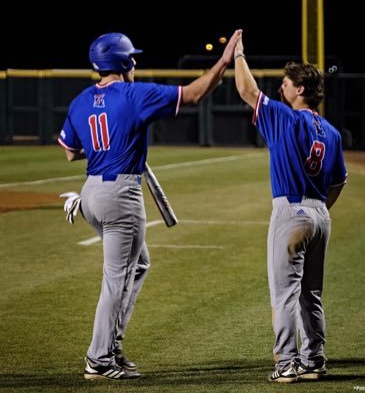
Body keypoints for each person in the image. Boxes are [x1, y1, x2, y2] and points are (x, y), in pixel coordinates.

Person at [58, 30, 241, 380]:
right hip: (121, 196)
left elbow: (69, 151)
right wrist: (223, 62)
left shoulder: (81, 100)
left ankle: (112, 346)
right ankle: (99, 359)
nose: (136, 62)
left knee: (139, 265)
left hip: (92, 189)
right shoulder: (133, 94)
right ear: (124, 62)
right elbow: (194, 94)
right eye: (132, 57)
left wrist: (104, 147)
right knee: (116, 279)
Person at [234, 31, 347, 383]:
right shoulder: (331, 131)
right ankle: (315, 360)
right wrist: (318, 211)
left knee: (284, 295)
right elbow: (339, 182)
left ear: (301, 89)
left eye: (286, 83)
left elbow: (247, 92)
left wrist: (238, 55)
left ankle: (286, 363)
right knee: (310, 295)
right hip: (320, 215)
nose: (281, 87)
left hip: (291, 212)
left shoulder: (286, 118)